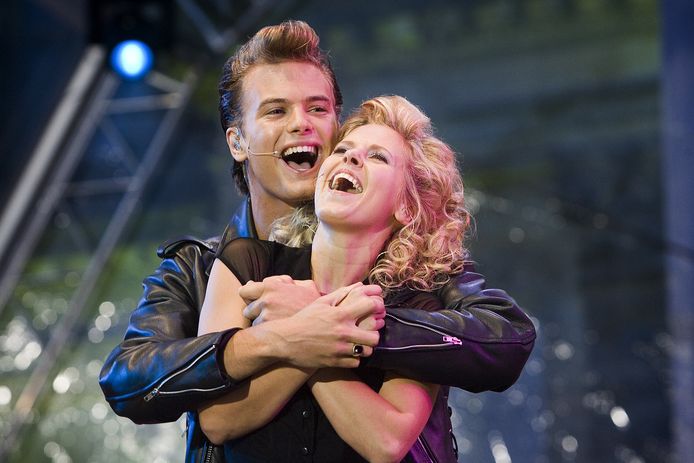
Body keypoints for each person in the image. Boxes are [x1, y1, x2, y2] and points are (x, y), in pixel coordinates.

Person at [99, 20, 536, 463]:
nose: (301, 124)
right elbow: (129, 379)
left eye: (318, 109)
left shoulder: (417, 269)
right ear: (238, 141)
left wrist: (351, 326)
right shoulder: (205, 265)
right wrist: (295, 335)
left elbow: (507, 337)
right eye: (276, 111)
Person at [197, 94, 469, 462]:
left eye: (378, 157)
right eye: (342, 150)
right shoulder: (246, 263)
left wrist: (307, 321)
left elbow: (387, 443)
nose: (350, 158)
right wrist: (318, 332)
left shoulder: (417, 311)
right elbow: (215, 420)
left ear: (406, 206)